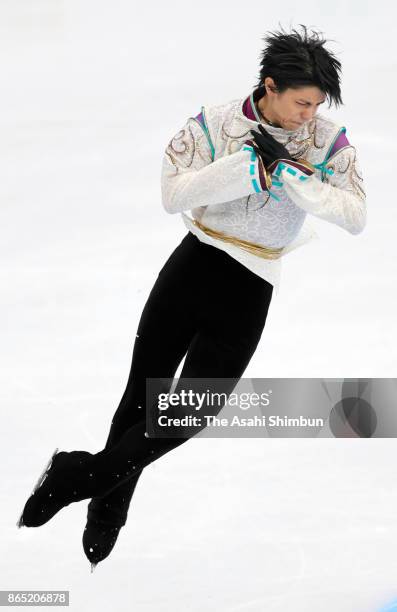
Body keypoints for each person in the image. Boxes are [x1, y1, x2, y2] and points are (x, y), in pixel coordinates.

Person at [17, 24, 366, 572]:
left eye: (317, 105)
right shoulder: (213, 124)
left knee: (192, 408)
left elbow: (355, 215)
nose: (309, 116)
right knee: (141, 396)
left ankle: (78, 476)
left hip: (252, 281)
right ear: (270, 87)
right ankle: (108, 513)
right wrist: (245, 167)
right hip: (195, 263)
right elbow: (172, 193)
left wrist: (295, 179)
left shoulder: (327, 142)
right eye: (301, 103)